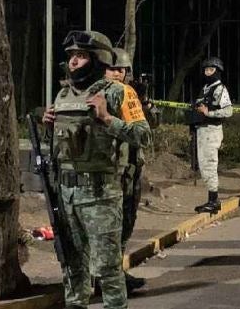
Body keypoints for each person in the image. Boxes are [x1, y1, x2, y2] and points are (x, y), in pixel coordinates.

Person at [42, 31, 151, 309]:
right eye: (71, 57)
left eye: (80, 56)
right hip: (66, 194)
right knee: (72, 267)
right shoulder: (64, 94)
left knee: (108, 270)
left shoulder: (118, 92)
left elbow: (144, 136)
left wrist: (107, 118)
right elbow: (57, 147)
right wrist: (49, 126)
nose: (74, 62)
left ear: (97, 59)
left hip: (101, 195)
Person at [104, 47, 148, 293]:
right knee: (114, 224)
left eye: (122, 69)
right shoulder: (111, 93)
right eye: (113, 68)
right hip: (114, 171)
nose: (118, 73)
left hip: (127, 168)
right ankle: (109, 276)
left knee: (123, 223)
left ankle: (115, 271)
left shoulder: (126, 93)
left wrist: (145, 104)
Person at [193, 57, 233, 214]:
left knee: (209, 165)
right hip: (203, 130)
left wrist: (209, 113)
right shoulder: (205, 88)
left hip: (211, 130)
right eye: (205, 70)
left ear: (217, 71)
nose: (207, 72)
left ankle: (213, 201)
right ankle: (211, 200)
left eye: (211, 70)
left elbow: (228, 111)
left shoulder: (219, 89)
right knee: (204, 166)